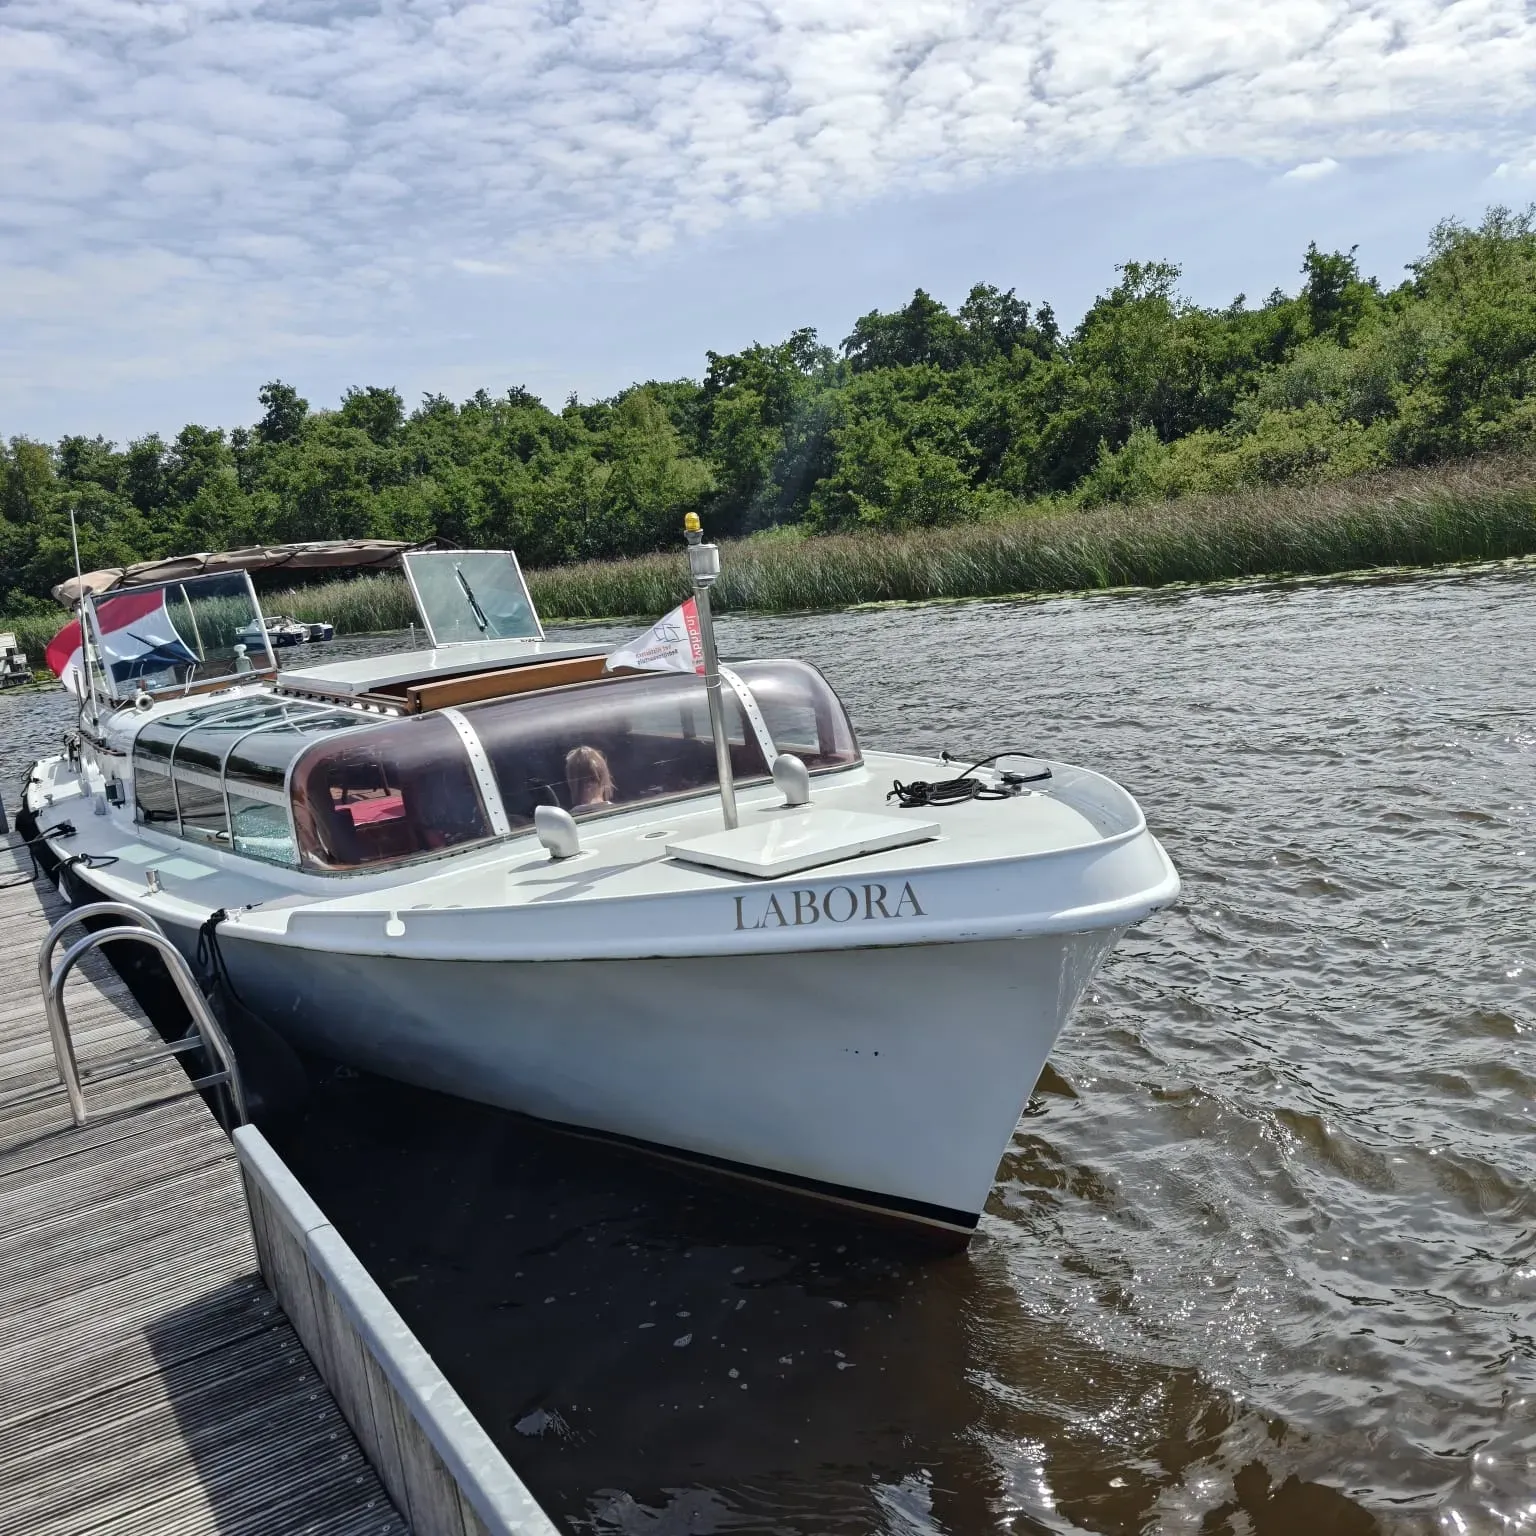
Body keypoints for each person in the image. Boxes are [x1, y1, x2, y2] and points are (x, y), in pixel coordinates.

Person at [565, 745, 614, 809]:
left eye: (593, 779)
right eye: (581, 782)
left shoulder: (567, 817)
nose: (588, 785)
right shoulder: (622, 812)